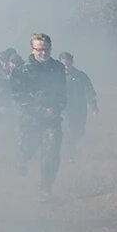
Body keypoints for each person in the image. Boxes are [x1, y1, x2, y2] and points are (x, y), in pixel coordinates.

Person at [10, 32, 67, 201]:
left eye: (47, 49)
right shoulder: (21, 70)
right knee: (28, 148)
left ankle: (45, 188)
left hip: (52, 119)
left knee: (51, 152)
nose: (44, 53)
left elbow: (63, 93)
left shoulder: (57, 68)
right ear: (32, 49)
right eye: (40, 49)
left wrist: (57, 109)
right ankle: (21, 160)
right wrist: (41, 110)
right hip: (30, 119)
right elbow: (18, 97)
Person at [58, 52, 98, 162]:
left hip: (80, 109)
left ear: (71, 63)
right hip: (65, 109)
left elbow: (89, 90)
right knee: (69, 131)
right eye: (64, 64)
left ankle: (74, 144)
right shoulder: (57, 77)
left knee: (79, 130)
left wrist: (93, 105)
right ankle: (71, 155)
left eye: (68, 63)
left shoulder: (80, 75)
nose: (66, 66)